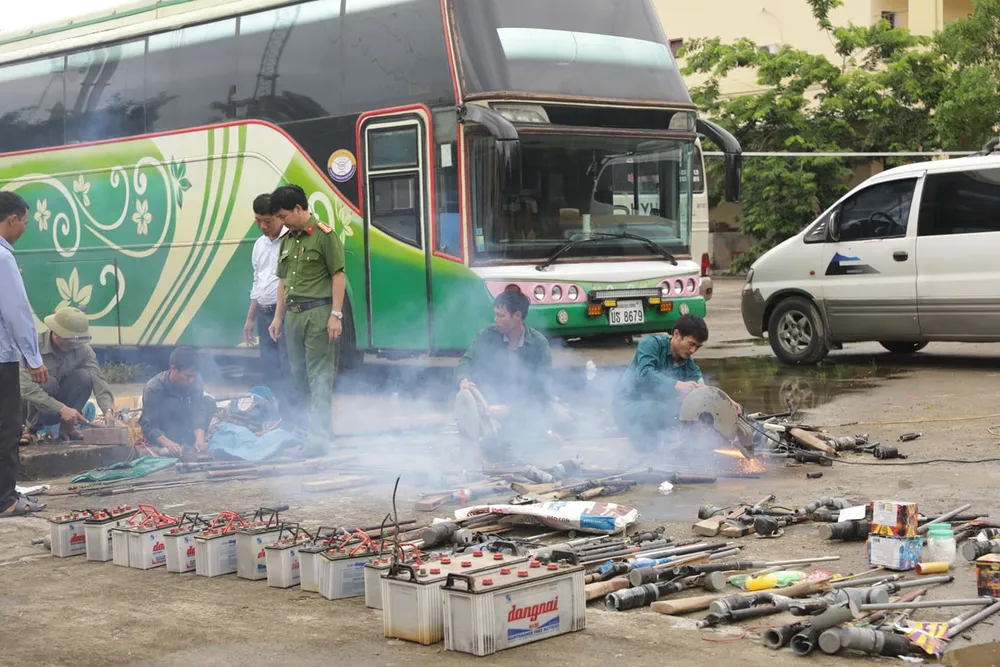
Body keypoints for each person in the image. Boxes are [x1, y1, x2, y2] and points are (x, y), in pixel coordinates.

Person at [266, 184, 345, 454]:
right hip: (294, 317)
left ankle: (319, 441)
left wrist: (336, 314)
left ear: (299, 209)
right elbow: (282, 282)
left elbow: (338, 275)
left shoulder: (324, 235)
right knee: (299, 377)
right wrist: (278, 318)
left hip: (319, 314)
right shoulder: (288, 241)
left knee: (319, 377)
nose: (281, 222)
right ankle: (315, 431)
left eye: (283, 216)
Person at [454, 286, 567, 459]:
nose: (495, 319)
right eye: (496, 314)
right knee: (483, 445)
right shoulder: (488, 335)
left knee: (545, 431)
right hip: (490, 409)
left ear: (517, 316)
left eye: (501, 315)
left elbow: (541, 392)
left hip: (523, 412)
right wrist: (464, 379)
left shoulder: (538, 344)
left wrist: (511, 410)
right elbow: (466, 360)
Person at [0, 191, 48, 517]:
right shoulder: (3, 258)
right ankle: (6, 500)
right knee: (8, 426)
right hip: (1, 358)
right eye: (25, 223)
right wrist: (33, 357)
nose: (24, 230)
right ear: (12, 219)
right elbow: (17, 311)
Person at [613, 314, 709, 452]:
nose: (693, 351)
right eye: (691, 344)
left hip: (656, 412)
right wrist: (677, 385)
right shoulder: (651, 344)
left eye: (698, 347)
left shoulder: (689, 364)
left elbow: (702, 388)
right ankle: (646, 449)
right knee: (661, 409)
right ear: (676, 334)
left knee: (687, 413)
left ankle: (666, 446)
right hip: (628, 408)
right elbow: (645, 373)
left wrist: (724, 401)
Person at [20, 307, 118, 441]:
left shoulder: (83, 350)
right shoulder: (33, 347)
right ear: (55, 333)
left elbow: (98, 379)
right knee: (47, 382)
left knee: (84, 377)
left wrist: (108, 410)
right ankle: (31, 430)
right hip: (27, 408)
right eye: (69, 341)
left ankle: (67, 427)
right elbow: (26, 388)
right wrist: (61, 408)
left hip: (61, 409)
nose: (74, 345)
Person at [243, 193, 290, 409]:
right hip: (264, 313)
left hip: (286, 315)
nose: (262, 226)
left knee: (288, 366)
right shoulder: (259, 245)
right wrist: (250, 318)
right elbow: (257, 282)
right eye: (258, 221)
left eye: (267, 221)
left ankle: (293, 414)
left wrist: (279, 317)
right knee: (269, 368)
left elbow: (286, 280)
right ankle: (276, 412)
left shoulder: (291, 241)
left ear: (279, 217)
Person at [139, 347, 215, 456]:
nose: (191, 380)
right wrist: (168, 443)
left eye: (194, 376)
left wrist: (199, 439)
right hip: (165, 431)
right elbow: (149, 425)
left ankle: (192, 444)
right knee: (172, 404)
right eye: (188, 376)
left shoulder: (196, 381)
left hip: (185, 426)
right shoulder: (154, 388)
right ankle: (174, 444)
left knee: (209, 402)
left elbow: (198, 410)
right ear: (173, 369)